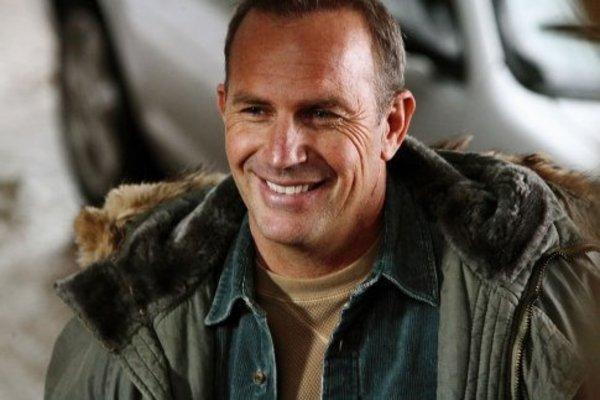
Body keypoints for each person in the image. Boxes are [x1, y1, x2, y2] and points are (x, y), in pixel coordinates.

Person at [45, 1, 600, 399]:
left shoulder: (538, 304)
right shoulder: (127, 321)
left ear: (392, 125)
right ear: (224, 109)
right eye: (256, 111)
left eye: (321, 114)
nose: (282, 154)